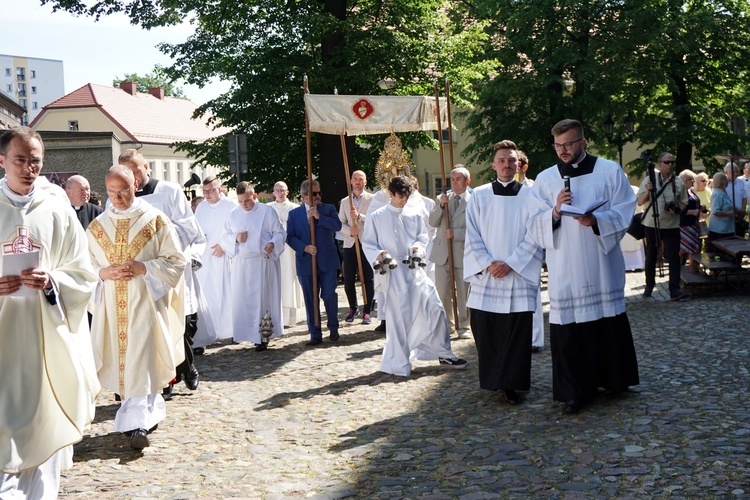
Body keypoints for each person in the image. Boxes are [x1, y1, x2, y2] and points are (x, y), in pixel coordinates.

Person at [0, 127, 99, 498]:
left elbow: (83, 271)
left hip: (48, 335)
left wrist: (53, 280)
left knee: (46, 421)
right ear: (2, 161)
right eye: (21, 160)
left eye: (35, 161)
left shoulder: (56, 204)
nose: (29, 168)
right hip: (4, 339)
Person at [528, 119, 639, 415]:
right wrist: (554, 211)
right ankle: (575, 391)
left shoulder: (609, 171)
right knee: (570, 328)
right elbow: (531, 221)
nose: (563, 151)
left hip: (600, 260)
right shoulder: (545, 179)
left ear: (583, 142)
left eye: (569, 144)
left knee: (606, 321)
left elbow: (626, 208)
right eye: (558, 145)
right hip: (565, 263)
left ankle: (615, 380)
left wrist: (597, 221)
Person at [87, 165, 186, 449]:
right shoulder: (96, 227)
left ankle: (139, 423)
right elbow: (84, 268)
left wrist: (144, 267)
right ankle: (139, 420)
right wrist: (103, 274)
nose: (117, 198)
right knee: (126, 362)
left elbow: (176, 261)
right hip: (111, 308)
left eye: (123, 191)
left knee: (142, 358)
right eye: (111, 192)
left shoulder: (155, 220)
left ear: (135, 185)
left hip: (145, 305)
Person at [362, 175, 467, 376]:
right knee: (400, 318)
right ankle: (400, 361)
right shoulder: (377, 216)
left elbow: (422, 236)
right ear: (390, 194)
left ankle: (443, 352)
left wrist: (418, 247)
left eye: (406, 196)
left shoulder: (414, 213)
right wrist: (380, 254)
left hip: (414, 269)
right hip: (393, 273)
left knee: (435, 308)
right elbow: (368, 243)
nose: (404, 200)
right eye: (400, 196)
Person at [118, 149, 204, 394]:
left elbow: (188, 228)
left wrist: (157, 242)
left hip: (167, 268)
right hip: (140, 273)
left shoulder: (170, 191)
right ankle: (163, 381)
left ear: (146, 167)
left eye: (136, 170)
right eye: (127, 172)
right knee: (152, 328)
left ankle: (188, 367)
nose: (132, 177)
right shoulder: (118, 196)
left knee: (180, 323)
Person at [464, 142, 542, 404]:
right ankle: (493, 380)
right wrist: (488, 262)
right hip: (488, 274)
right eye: (502, 160)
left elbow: (535, 235)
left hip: (517, 273)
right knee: (487, 330)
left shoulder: (531, 196)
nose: (507, 165)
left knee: (516, 333)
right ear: (493, 164)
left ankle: (512, 383)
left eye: (512, 160)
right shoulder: (480, 195)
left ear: (519, 164)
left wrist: (511, 263)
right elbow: (471, 233)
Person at [222, 182, 285, 351]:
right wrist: (235, 238)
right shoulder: (234, 213)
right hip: (242, 264)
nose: (244, 204)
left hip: (261, 262)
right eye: (241, 201)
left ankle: (262, 336)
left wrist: (272, 243)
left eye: (247, 201)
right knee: (243, 301)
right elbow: (224, 236)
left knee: (261, 301)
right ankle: (245, 333)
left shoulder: (267, 211)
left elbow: (279, 233)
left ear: (255, 196)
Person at [286, 179, 342, 346]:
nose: (318, 196)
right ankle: (315, 333)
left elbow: (337, 226)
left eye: (319, 193)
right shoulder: (294, 214)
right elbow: (290, 237)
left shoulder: (328, 209)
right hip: (306, 263)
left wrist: (319, 217)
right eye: (314, 194)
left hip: (328, 261)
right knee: (311, 299)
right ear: (304, 196)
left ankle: (333, 327)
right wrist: (304, 248)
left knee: (329, 295)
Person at [636, 152, 689, 301]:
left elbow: (684, 202)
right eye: (666, 162)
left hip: (672, 225)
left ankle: (674, 289)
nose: (670, 165)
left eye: (672, 162)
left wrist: (677, 208)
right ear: (660, 163)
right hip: (651, 224)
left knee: (673, 257)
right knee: (651, 256)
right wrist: (648, 190)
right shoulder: (649, 179)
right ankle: (649, 285)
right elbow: (640, 202)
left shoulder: (678, 182)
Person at [428, 165, 472, 339]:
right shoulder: (442, 198)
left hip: (462, 253)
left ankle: (464, 326)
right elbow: (432, 221)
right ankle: (448, 324)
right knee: (443, 292)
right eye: (452, 180)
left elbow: (477, 229)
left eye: (458, 179)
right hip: (442, 254)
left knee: (463, 292)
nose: (454, 183)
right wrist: (440, 205)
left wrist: (457, 234)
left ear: (467, 181)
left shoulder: (474, 200)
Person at [194, 176, 237, 343]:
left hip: (223, 256)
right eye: (205, 191)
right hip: (205, 257)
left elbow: (237, 231)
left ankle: (228, 331)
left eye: (211, 190)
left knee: (226, 294)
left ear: (220, 189)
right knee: (207, 294)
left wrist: (223, 245)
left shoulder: (231, 206)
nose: (207, 194)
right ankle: (210, 333)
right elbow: (196, 230)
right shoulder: (201, 207)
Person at [339, 170, 375, 325]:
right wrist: (349, 230)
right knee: (348, 279)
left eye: (361, 179)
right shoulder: (345, 201)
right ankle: (353, 308)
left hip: (366, 243)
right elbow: (340, 223)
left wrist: (359, 217)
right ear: (351, 182)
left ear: (365, 182)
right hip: (350, 243)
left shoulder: (372, 199)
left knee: (368, 278)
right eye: (355, 179)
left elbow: (375, 221)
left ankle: (367, 310)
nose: (358, 182)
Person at [270, 181, 305, 327]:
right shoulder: (268, 209)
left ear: (287, 192)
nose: (279, 193)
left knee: (289, 280)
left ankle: (291, 317)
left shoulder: (295, 208)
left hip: (290, 250)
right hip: (274, 249)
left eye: (282, 190)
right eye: (277, 190)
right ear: (273, 192)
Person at [677, 170, 702, 266]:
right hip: (684, 225)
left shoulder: (691, 191)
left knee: (694, 249)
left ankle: (693, 269)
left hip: (694, 224)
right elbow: (678, 210)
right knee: (683, 250)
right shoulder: (680, 192)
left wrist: (700, 207)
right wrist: (691, 211)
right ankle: (679, 272)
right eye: (693, 180)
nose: (694, 182)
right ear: (687, 181)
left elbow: (694, 203)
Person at [707, 172, 735, 251]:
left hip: (727, 228)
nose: (727, 182)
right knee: (719, 251)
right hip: (719, 230)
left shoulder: (723, 192)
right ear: (721, 181)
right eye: (726, 180)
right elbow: (716, 211)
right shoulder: (717, 194)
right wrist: (728, 214)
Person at [724, 162, 748, 237]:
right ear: (726, 172)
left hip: (739, 216)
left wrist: (742, 211)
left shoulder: (740, 182)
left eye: (737, 171)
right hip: (727, 217)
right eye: (733, 171)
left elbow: (744, 197)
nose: (736, 173)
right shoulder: (723, 183)